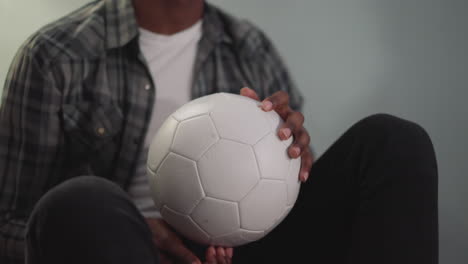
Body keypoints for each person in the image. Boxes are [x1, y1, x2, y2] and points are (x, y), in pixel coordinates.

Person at [0, 0, 438, 264]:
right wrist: (135, 231)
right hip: (125, 247)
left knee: (394, 141)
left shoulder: (251, 47)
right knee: (80, 199)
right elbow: (9, 224)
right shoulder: (57, 56)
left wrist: (297, 162)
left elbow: (302, 201)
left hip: (248, 248)